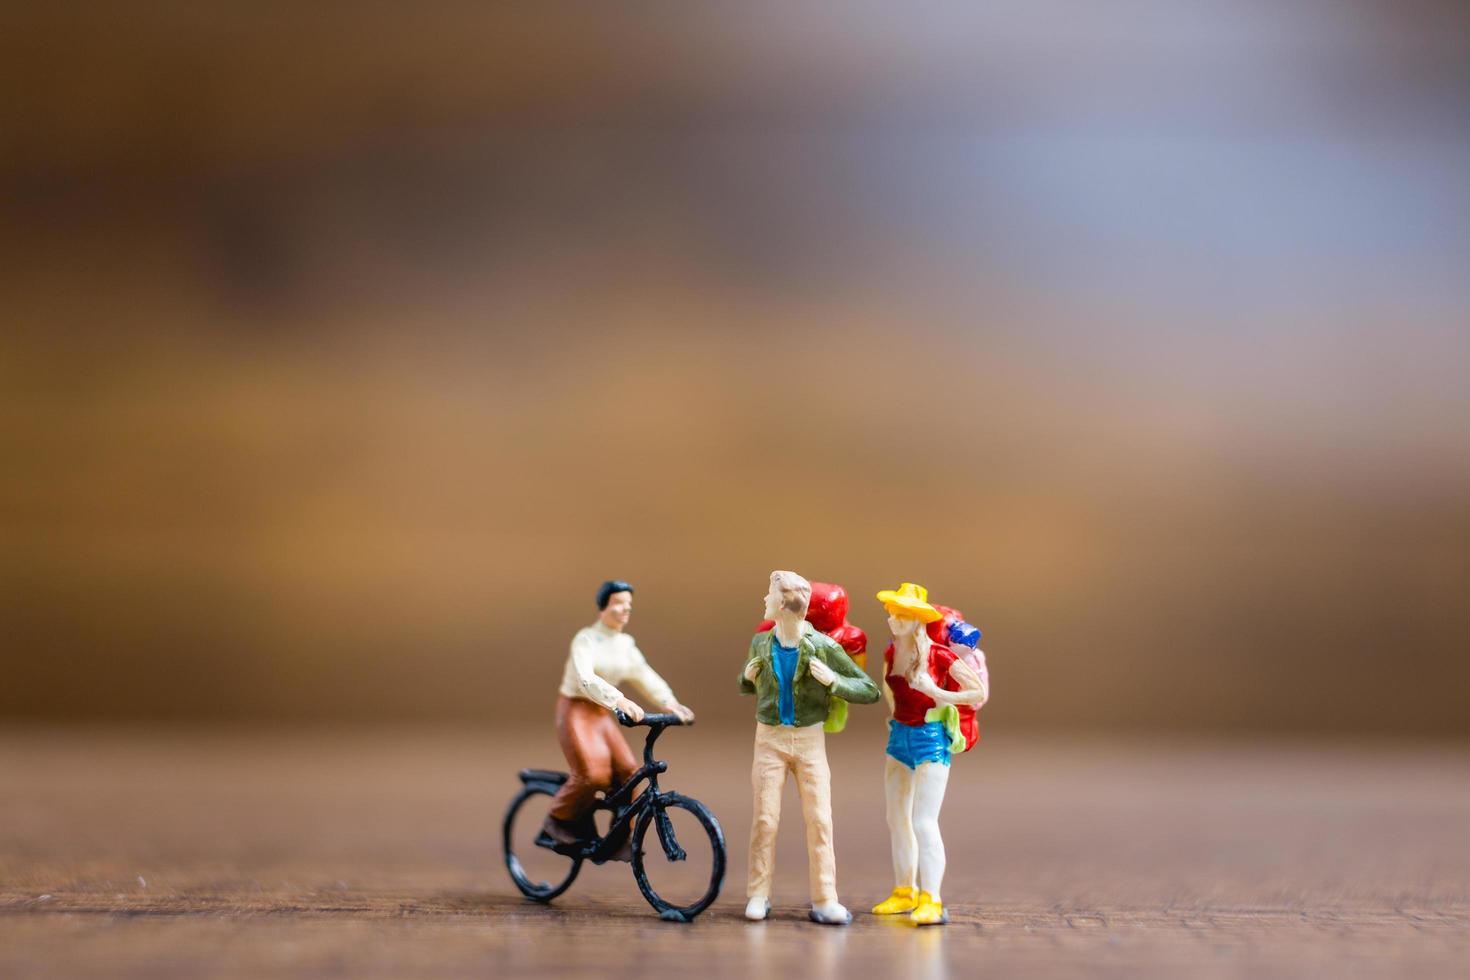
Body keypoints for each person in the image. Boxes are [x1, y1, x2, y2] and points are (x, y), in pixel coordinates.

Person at [740, 570, 880, 925]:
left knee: (819, 820)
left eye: (769, 596)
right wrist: (749, 677)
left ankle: (824, 898)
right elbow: (744, 686)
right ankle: (758, 894)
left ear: (786, 605)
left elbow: (869, 689)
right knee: (765, 820)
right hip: (769, 739)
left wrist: (833, 680)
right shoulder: (761, 643)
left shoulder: (824, 646)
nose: (765, 601)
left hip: (809, 740)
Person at [541, 580, 695, 854]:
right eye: (619, 603)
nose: (625, 610)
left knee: (631, 774)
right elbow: (585, 679)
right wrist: (619, 700)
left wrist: (670, 702)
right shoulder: (586, 639)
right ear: (604, 607)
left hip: (602, 712)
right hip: (577, 708)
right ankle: (556, 820)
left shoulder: (625, 644)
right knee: (593, 776)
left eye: (629, 605)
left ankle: (620, 834)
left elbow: (644, 674)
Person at [870, 582, 989, 926]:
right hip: (899, 738)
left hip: (930, 739)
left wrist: (935, 691)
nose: (895, 620)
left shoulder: (939, 655)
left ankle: (931, 898)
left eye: (903, 614)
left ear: (919, 619)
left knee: (924, 822)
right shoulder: (892, 654)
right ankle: (903, 891)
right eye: (893, 613)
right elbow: (890, 692)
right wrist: (894, 717)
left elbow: (975, 691)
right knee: (897, 820)